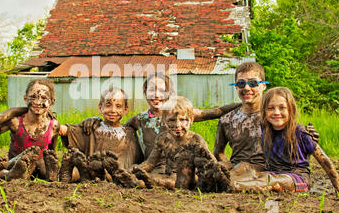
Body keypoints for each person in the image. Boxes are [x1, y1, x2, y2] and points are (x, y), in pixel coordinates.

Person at [84, 71, 241, 173]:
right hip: (153, 168)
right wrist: (96, 120)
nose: (156, 95)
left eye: (162, 90)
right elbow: (116, 127)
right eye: (152, 90)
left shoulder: (180, 115)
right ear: (145, 92)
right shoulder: (140, 119)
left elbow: (217, 112)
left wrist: (245, 104)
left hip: (182, 167)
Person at [213, 62, 319, 187]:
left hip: (269, 170)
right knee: (213, 170)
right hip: (237, 168)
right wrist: (227, 165)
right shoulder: (227, 120)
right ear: (236, 87)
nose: (246, 88)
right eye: (241, 83)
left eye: (253, 83)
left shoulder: (274, 117)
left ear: (263, 86)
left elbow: (296, 141)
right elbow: (218, 153)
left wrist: (309, 135)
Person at [232, 87, 339, 194]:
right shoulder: (265, 129)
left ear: (291, 109)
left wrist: (338, 189)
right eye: (271, 108)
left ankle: (234, 186)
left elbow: (325, 162)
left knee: (272, 180)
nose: (276, 112)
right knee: (246, 169)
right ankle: (226, 181)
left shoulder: (301, 133)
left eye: (282, 108)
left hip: (297, 179)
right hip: (271, 172)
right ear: (264, 111)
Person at [132, 96, 231, 192]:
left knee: (174, 180)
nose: (177, 125)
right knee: (142, 180)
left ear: (191, 120)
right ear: (164, 121)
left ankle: (153, 181)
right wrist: (136, 169)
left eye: (182, 120)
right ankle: (143, 180)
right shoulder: (163, 139)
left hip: (191, 177)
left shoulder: (196, 139)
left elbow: (211, 162)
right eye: (172, 120)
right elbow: (150, 163)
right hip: (169, 175)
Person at [58, 87, 144, 188]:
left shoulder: (129, 133)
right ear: (100, 108)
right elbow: (62, 130)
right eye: (108, 105)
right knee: (75, 172)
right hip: (90, 174)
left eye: (118, 106)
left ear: (125, 110)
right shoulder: (91, 128)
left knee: (139, 182)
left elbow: (138, 159)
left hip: (119, 177)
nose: (113, 110)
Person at [0, 78, 61, 181]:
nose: (37, 102)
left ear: (52, 102)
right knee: (1, 170)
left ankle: (51, 176)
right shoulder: (15, 122)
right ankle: (16, 174)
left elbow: (51, 151)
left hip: (40, 168)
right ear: (25, 99)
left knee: (42, 163)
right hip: (16, 166)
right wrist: (11, 112)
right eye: (33, 97)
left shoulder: (54, 126)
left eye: (43, 98)